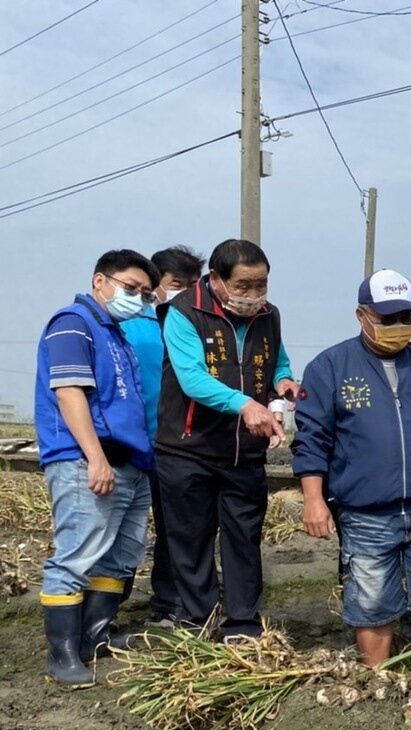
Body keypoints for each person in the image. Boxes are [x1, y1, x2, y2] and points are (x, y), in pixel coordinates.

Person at [292, 270, 411, 670]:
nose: (398, 326)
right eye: (387, 318)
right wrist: (313, 499)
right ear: (362, 316)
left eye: (405, 317)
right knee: (372, 603)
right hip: (366, 513)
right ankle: (376, 681)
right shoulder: (330, 367)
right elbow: (311, 440)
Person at [155, 239, 298, 640]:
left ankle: (243, 625)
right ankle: (198, 621)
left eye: (261, 285)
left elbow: (277, 361)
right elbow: (192, 378)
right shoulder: (183, 312)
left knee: (244, 540)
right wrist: (245, 405)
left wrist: (283, 382)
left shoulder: (269, 315)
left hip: (244, 453)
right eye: (243, 286)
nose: (253, 295)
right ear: (216, 279)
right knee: (191, 541)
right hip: (188, 449)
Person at [34, 250, 159, 687]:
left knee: (119, 555)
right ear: (100, 280)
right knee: (78, 554)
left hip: (130, 461)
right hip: (87, 458)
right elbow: (70, 392)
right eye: (130, 288)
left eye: (145, 293)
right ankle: (63, 653)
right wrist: (95, 457)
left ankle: (96, 637)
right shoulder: (72, 324)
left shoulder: (116, 334)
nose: (137, 298)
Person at [118, 245, 205, 627]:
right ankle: (106, 606)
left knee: (177, 527)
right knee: (121, 526)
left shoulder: (193, 324)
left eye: (192, 284)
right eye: (176, 283)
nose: (184, 291)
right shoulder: (127, 324)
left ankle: (169, 601)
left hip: (178, 445)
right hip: (131, 444)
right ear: (155, 283)